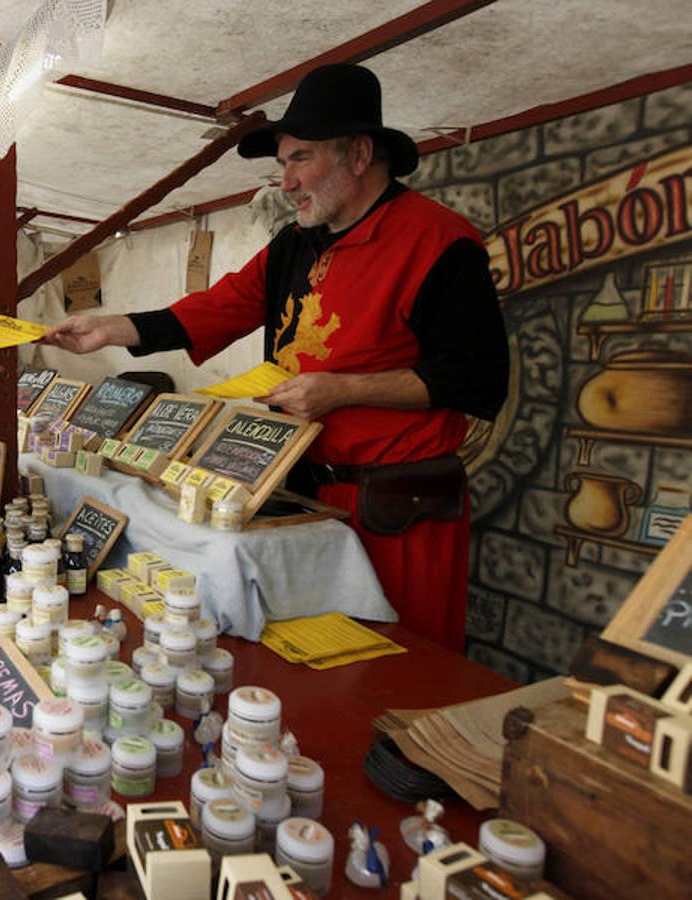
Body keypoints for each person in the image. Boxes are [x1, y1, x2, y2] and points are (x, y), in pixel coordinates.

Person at [44, 64, 509, 652]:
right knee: (318, 664)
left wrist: (343, 390)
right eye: (282, 164)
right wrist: (112, 328)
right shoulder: (296, 241)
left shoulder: (439, 242)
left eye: (300, 159)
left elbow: (476, 377)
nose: (285, 183)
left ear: (360, 154)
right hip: (302, 492)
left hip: (395, 506)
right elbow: (221, 306)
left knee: (399, 662)